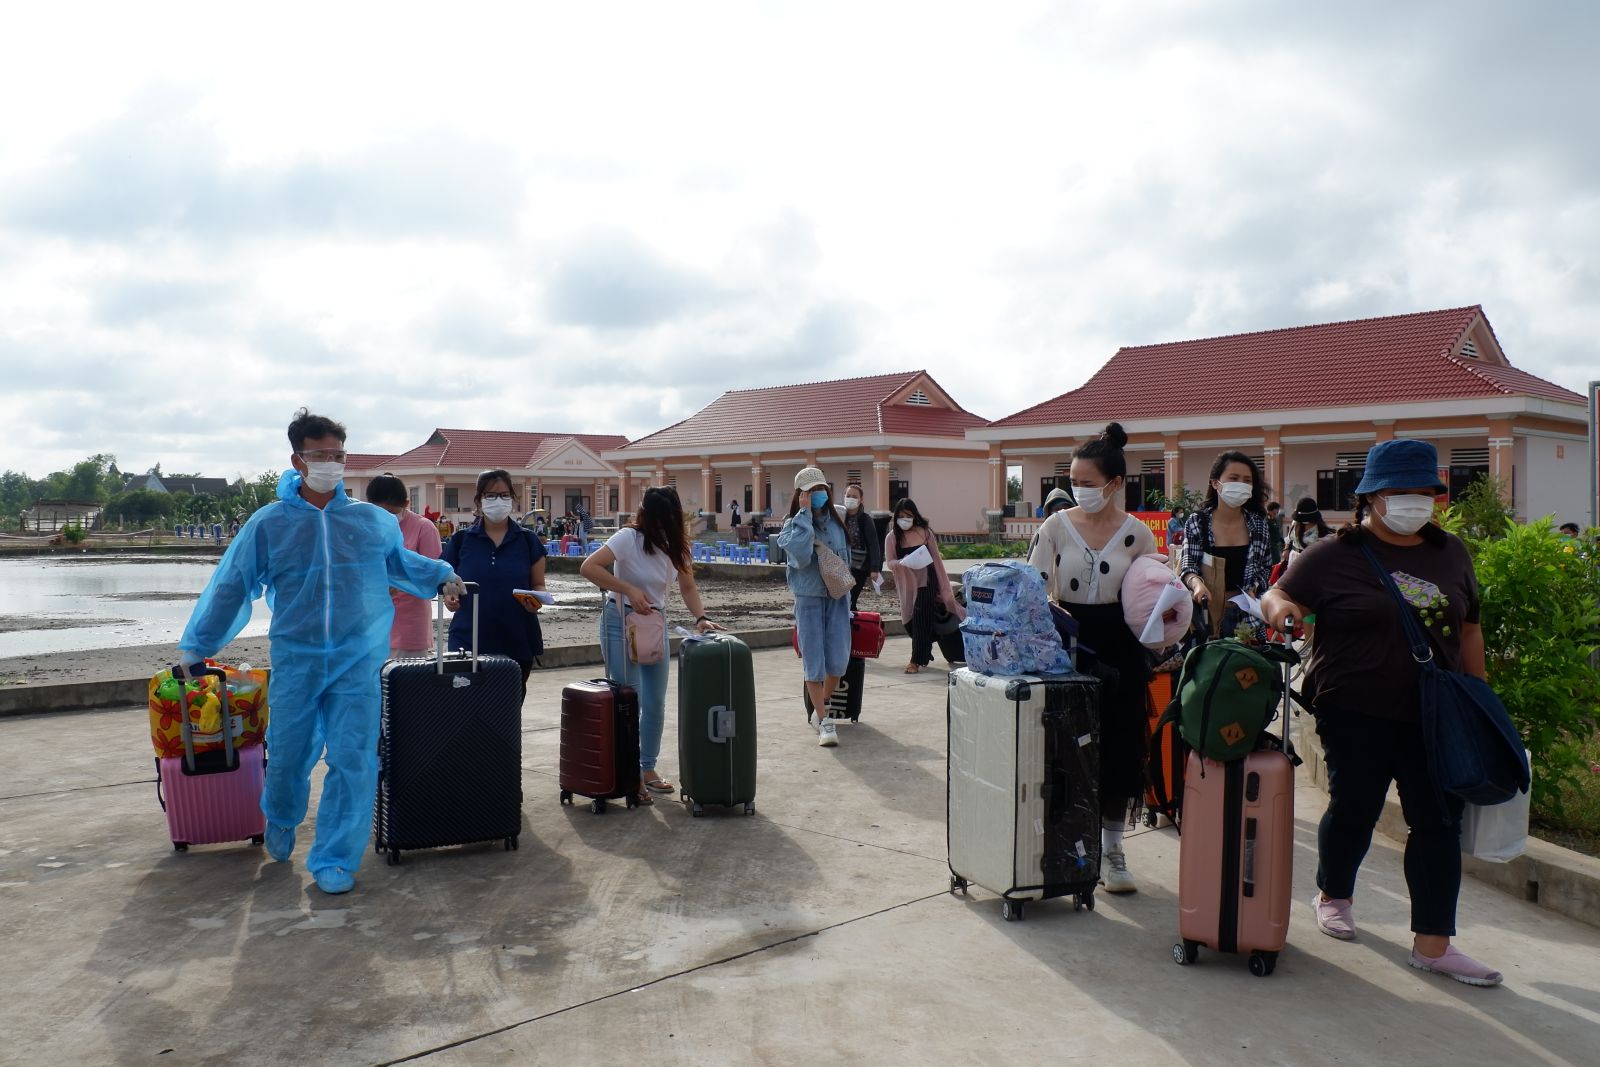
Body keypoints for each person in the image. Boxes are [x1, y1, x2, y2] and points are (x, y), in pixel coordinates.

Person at [172, 409, 462, 895]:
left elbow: (398, 562)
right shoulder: (270, 524)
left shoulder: (370, 521)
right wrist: (197, 645)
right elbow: (232, 586)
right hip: (298, 659)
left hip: (358, 660)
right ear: (297, 459)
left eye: (338, 455)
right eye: (320, 455)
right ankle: (281, 815)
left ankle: (334, 859)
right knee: (287, 757)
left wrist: (440, 575)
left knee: (354, 759)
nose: (331, 463)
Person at [1262, 439, 1501, 987]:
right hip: (1354, 710)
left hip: (1436, 716)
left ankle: (1434, 944)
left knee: (1438, 824)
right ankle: (1334, 893)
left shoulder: (1451, 554)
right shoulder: (1334, 554)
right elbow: (1279, 595)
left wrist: (1480, 698)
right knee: (1354, 809)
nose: (1414, 501)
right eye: (1400, 492)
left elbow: (1468, 627)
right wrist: (1286, 615)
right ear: (1371, 497)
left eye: (1423, 492)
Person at [1026, 422, 1157, 894]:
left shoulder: (1138, 535)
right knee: (1065, 748)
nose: (1078, 490)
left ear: (1115, 483)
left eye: (1087, 482)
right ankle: (1067, 844)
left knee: (1121, 748)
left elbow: (1150, 597)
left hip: (1120, 649)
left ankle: (1114, 849)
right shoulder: (1054, 527)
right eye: (1074, 481)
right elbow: (1032, 590)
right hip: (1067, 645)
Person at [580, 486, 721, 801]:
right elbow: (589, 567)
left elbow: (687, 587)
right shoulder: (627, 538)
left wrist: (701, 618)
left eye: (665, 520)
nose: (658, 525)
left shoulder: (676, 546)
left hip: (654, 626)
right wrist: (628, 589)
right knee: (630, 699)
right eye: (654, 518)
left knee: (655, 702)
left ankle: (647, 768)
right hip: (620, 622)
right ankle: (629, 774)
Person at [442, 470, 549, 691]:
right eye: (490, 495)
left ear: (513, 498)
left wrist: (536, 601)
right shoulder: (461, 540)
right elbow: (447, 580)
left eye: (504, 494)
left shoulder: (528, 541)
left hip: (516, 640)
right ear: (479, 500)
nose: (498, 500)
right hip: (468, 641)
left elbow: (538, 584)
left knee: (506, 715)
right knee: (466, 712)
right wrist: (449, 594)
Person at [776, 468, 853, 748]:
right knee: (814, 661)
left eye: (820, 489)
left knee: (838, 661)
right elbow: (799, 554)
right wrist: (805, 516)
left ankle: (822, 704)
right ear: (800, 495)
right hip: (808, 596)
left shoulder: (838, 518)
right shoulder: (791, 525)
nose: (816, 495)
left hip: (837, 596)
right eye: (809, 491)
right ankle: (823, 719)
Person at [1179, 452, 1272, 640]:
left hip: (1248, 620)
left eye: (1247, 480)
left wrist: (1256, 585)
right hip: (1207, 618)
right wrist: (1197, 585)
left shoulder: (1259, 525)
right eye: (1234, 478)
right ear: (1215, 483)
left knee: (1245, 669)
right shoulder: (1198, 522)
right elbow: (1188, 566)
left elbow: (1266, 567)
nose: (1241, 484)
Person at [365, 473, 443, 658]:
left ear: (406, 504)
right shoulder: (367, 528)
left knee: (408, 682)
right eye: (379, 512)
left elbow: (432, 575)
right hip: (373, 624)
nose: (386, 519)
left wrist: (399, 585)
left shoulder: (424, 528)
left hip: (410, 628)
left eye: (391, 513)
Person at [885, 497, 964, 674]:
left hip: (927, 581)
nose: (904, 519)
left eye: (908, 515)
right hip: (907, 586)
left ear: (915, 516)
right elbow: (889, 562)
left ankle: (915, 661)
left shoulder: (924, 533)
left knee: (921, 619)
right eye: (901, 515)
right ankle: (925, 649)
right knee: (910, 622)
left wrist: (941, 585)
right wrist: (903, 562)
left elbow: (936, 559)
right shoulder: (892, 538)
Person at [841, 483, 884, 610]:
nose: (851, 499)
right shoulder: (838, 517)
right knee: (839, 600)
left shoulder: (865, 520)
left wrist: (874, 568)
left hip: (858, 568)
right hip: (840, 565)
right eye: (848, 495)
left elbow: (873, 545)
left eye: (854, 496)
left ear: (861, 499)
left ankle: (851, 627)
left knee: (851, 600)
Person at [1266, 500, 1286, 565]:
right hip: (1270, 546)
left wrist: (1283, 541)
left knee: (1277, 562)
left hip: (1276, 545)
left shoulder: (1274, 519)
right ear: (1270, 510)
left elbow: (1277, 532)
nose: (1277, 513)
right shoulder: (1266, 520)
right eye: (1275, 512)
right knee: (1274, 563)